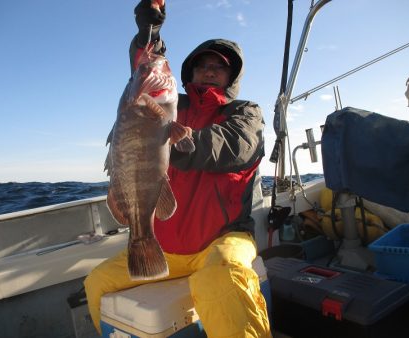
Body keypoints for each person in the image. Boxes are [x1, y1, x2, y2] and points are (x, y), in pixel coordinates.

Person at [84, 1, 270, 337]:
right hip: (164, 245)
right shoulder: (170, 105)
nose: (209, 70)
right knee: (97, 283)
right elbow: (144, 67)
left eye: (218, 67)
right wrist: (147, 30)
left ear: (231, 77)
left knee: (220, 277)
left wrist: (165, 140)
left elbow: (233, 146)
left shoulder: (245, 113)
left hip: (223, 240)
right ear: (188, 74)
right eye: (201, 66)